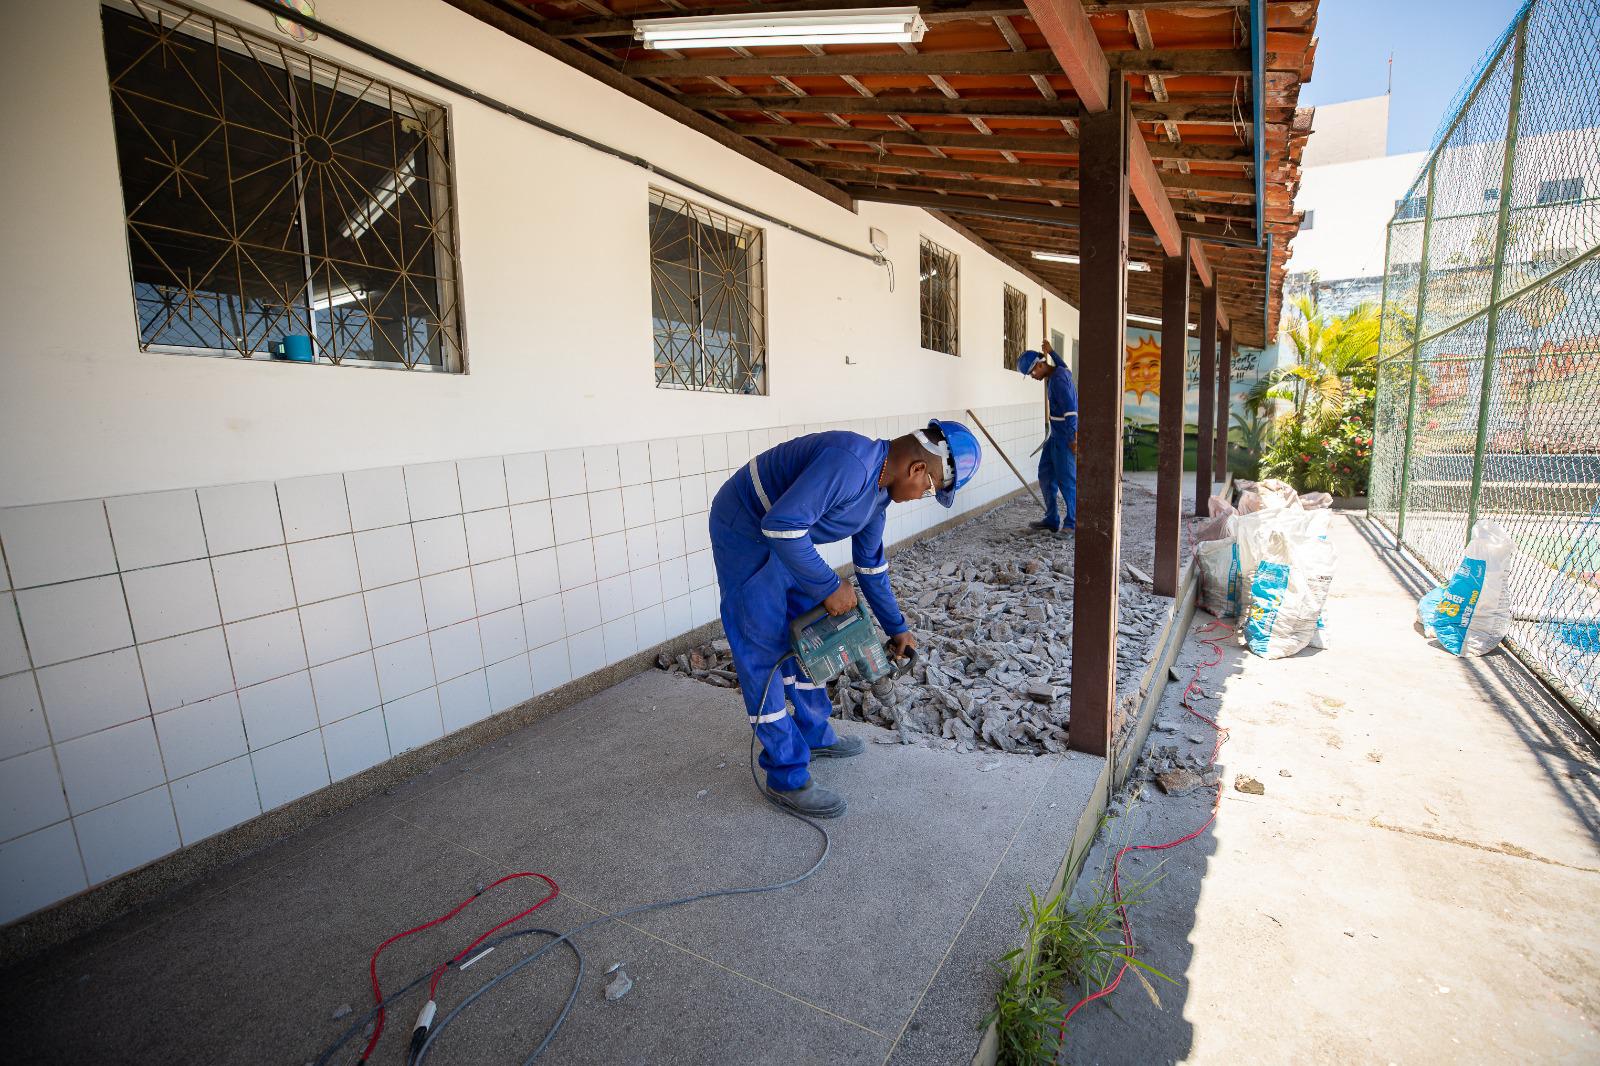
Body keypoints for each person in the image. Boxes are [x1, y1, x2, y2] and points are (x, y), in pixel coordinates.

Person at [709, 420, 982, 818]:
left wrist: (897, 627)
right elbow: (781, 527)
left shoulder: (878, 495)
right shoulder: (852, 464)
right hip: (745, 530)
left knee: (813, 637)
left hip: (783, 539)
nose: (924, 494)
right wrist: (828, 586)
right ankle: (787, 776)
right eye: (930, 489)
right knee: (764, 648)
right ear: (918, 470)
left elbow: (870, 567)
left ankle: (813, 732)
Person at [1017, 339, 1077, 534]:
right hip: (1054, 436)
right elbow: (1063, 365)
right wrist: (1052, 351)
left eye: (1033, 372)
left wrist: (1074, 438)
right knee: (1045, 474)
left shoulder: (1059, 380)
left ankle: (1071, 523)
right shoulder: (1057, 372)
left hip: (1065, 437)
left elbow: (1071, 411)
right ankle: (1051, 519)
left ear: (1041, 365)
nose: (1033, 376)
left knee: (1066, 480)